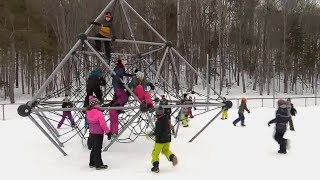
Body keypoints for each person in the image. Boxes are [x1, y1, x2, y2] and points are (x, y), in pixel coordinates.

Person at [107, 57, 133, 139]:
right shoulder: (120, 68)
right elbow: (118, 76)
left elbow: (115, 75)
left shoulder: (117, 68)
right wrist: (122, 83)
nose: (125, 63)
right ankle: (118, 105)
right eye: (124, 62)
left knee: (122, 97)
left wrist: (129, 75)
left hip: (116, 87)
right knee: (124, 97)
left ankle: (118, 106)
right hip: (118, 86)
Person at [150, 106, 178, 173]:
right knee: (166, 150)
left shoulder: (159, 122)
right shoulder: (166, 118)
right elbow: (171, 126)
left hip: (160, 141)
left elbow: (158, 132)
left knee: (155, 153)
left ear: (157, 113)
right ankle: (172, 157)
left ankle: (156, 167)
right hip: (167, 139)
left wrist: (151, 134)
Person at [86, 96, 110, 170]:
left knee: (94, 148)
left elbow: (88, 122)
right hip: (98, 134)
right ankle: (98, 164)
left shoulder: (88, 112)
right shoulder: (99, 113)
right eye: (99, 104)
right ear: (96, 105)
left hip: (92, 133)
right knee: (98, 149)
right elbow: (103, 124)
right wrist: (108, 132)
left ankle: (92, 162)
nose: (100, 105)